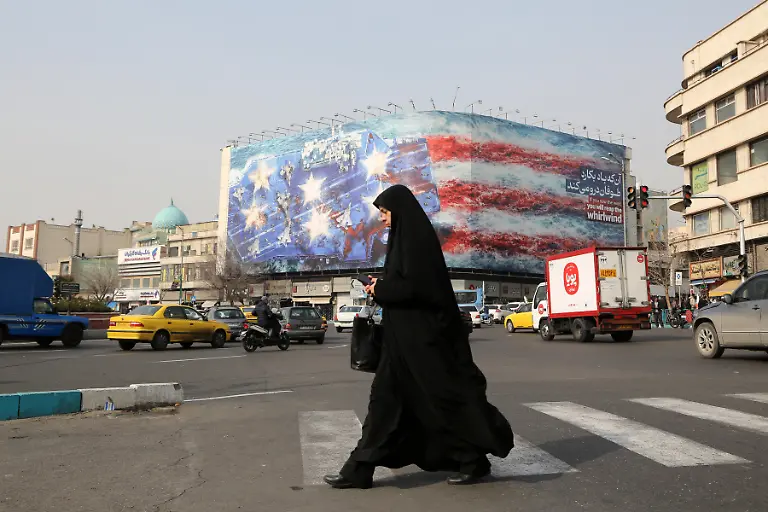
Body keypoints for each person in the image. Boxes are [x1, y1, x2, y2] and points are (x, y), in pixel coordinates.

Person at [323, 184, 515, 490]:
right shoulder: (404, 242)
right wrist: (382, 286)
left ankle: (472, 458)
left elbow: (418, 288)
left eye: (385, 213)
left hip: (424, 343)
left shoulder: (417, 242)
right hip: (402, 344)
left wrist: (380, 289)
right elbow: (406, 283)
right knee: (385, 404)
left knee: (440, 402)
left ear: (399, 211)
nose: (383, 219)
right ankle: (359, 469)